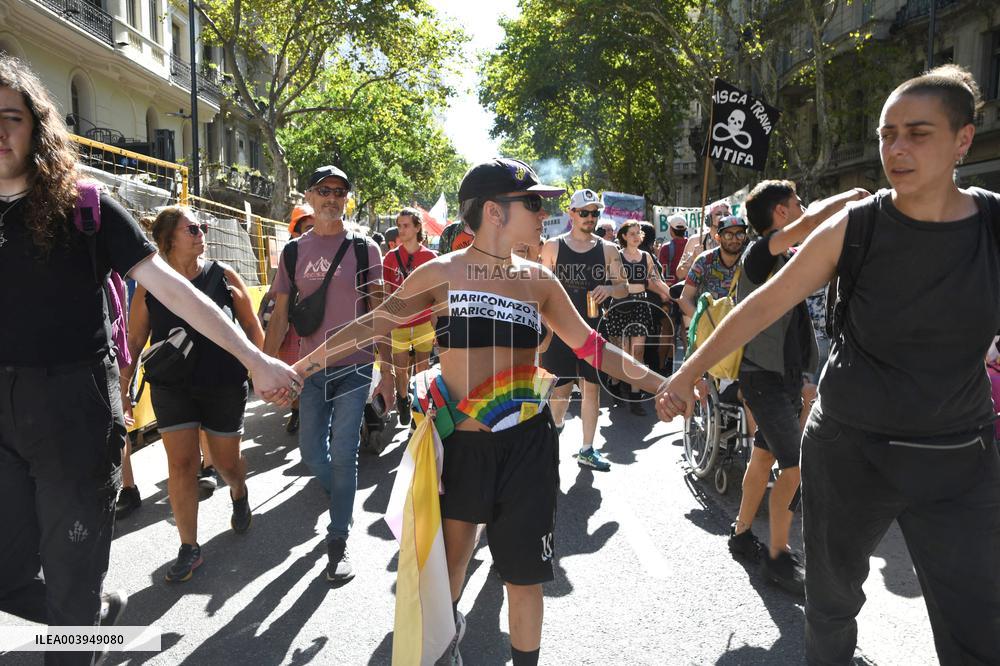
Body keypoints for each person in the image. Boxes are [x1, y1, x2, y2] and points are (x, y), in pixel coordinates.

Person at [659, 64, 1000, 664]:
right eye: (886, 133)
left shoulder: (995, 223)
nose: (895, 148)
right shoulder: (857, 227)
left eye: (917, 133)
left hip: (958, 458)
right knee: (832, 605)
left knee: (976, 620)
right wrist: (686, 372)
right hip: (850, 451)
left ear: (964, 140)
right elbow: (760, 304)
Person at [294, 158, 670, 665]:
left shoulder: (540, 280)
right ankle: (444, 645)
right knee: (450, 567)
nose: (544, 213)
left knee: (524, 577)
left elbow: (594, 348)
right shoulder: (441, 272)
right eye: (533, 203)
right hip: (460, 446)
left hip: (528, 447)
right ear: (494, 211)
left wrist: (664, 382)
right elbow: (375, 324)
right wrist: (299, 370)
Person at [0, 55, 298, 665]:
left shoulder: (85, 207)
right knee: (8, 578)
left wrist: (254, 358)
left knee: (69, 590)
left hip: (72, 412)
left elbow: (176, 292)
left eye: (10, 117)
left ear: (37, 127)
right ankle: (89, 617)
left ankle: (78, 620)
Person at [726, 181, 867, 596]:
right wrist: (848, 199)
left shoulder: (786, 257)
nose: (803, 208)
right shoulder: (759, 252)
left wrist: (805, 377)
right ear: (781, 213)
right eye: (797, 204)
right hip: (762, 377)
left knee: (764, 453)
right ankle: (778, 556)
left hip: (781, 377)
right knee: (796, 465)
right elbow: (810, 223)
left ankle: (741, 534)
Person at [263, 165, 393, 584]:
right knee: (311, 455)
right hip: (309, 371)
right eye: (324, 190)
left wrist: (387, 372)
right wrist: (263, 368)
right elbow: (280, 315)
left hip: (354, 365)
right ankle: (339, 490)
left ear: (346, 198)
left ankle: (338, 539)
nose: (332, 198)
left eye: (340, 191)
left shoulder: (364, 248)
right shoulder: (293, 251)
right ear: (309, 196)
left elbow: (379, 312)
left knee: (343, 453)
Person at [123, 207, 263, 581]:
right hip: (173, 386)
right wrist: (122, 389)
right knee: (181, 464)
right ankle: (189, 546)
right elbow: (135, 340)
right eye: (193, 229)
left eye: (202, 227)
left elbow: (251, 326)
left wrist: (262, 371)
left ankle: (239, 490)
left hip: (223, 383)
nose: (202, 233)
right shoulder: (151, 286)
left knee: (225, 463)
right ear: (169, 239)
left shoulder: (223, 276)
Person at [539, 188, 628, 471]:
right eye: (585, 212)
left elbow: (624, 288)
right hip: (559, 331)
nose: (591, 217)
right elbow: (541, 289)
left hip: (592, 329)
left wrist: (610, 288)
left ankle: (588, 449)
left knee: (592, 390)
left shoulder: (608, 249)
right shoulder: (553, 246)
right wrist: (541, 329)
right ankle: (554, 434)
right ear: (572, 214)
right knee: (560, 391)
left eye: (595, 213)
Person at [603, 221, 671, 414]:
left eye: (638, 233)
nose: (636, 236)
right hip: (620, 306)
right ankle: (615, 382)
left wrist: (673, 295)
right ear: (624, 236)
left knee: (638, 351)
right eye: (631, 233)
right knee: (622, 353)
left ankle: (635, 397)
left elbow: (655, 280)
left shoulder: (647, 256)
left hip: (641, 305)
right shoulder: (616, 255)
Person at [382, 207, 438, 424]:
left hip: (424, 322)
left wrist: (437, 326)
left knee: (423, 368)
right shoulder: (390, 258)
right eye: (399, 226)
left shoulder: (431, 257)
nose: (401, 230)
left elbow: (437, 295)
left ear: (417, 228)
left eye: (406, 225)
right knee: (401, 368)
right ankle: (403, 400)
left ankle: (419, 408)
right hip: (399, 324)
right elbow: (386, 294)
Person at [676, 215, 747, 323]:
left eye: (740, 234)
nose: (735, 239)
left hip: (742, 324)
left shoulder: (750, 260)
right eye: (728, 235)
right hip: (710, 326)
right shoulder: (704, 261)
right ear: (718, 238)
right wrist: (703, 322)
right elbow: (684, 299)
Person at [675, 199, 729, 280]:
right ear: (709, 219)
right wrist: (693, 258)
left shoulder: (735, 241)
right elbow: (679, 274)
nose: (722, 217)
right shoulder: (695, 241)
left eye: (726, 214)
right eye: (718, 214)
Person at [658, 214, 688, 285]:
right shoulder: (692, 245)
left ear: (671, 229)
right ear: (685, 229)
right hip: (688, 286)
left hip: (670, 287)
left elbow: (661, 270)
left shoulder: (666, 247)